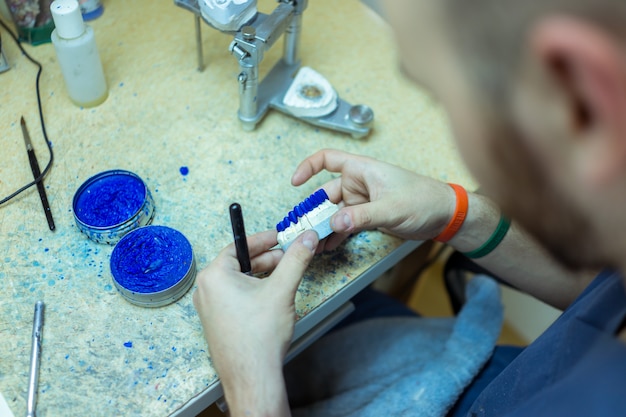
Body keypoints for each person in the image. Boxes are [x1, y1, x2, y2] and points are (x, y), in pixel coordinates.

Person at [193, 0, 626, 415]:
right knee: (350, 312)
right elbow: (602, 294)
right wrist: (454, 212)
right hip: (515, 380)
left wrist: (251, 385)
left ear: (582, 99)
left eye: (441, 96)